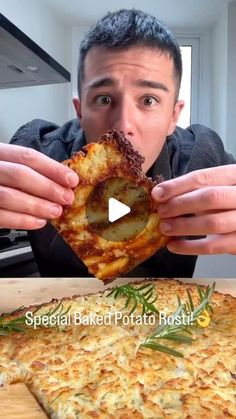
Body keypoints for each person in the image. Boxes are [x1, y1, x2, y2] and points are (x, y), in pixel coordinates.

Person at [0, 9, 235, 277]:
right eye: (103, 99)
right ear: (80, 112)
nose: (123, 127)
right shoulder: (37, 156)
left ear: (173, 116)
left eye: (148, 100)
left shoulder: (200, 159)